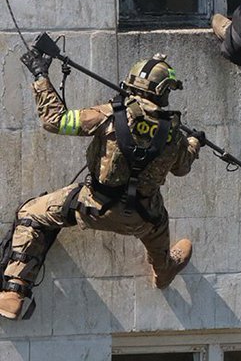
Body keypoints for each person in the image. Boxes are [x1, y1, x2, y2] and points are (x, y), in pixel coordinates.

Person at [0, 50, 199, 320]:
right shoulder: (173, 133)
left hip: (90, 207)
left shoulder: (108, 115)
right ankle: (163, 271)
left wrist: (40, 75)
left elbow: (55, 121)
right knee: (159, 228)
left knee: (30, 214)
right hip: (143, 217)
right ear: (163, 93)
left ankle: (14, 292)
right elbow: (182, 168)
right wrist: (194, 143)